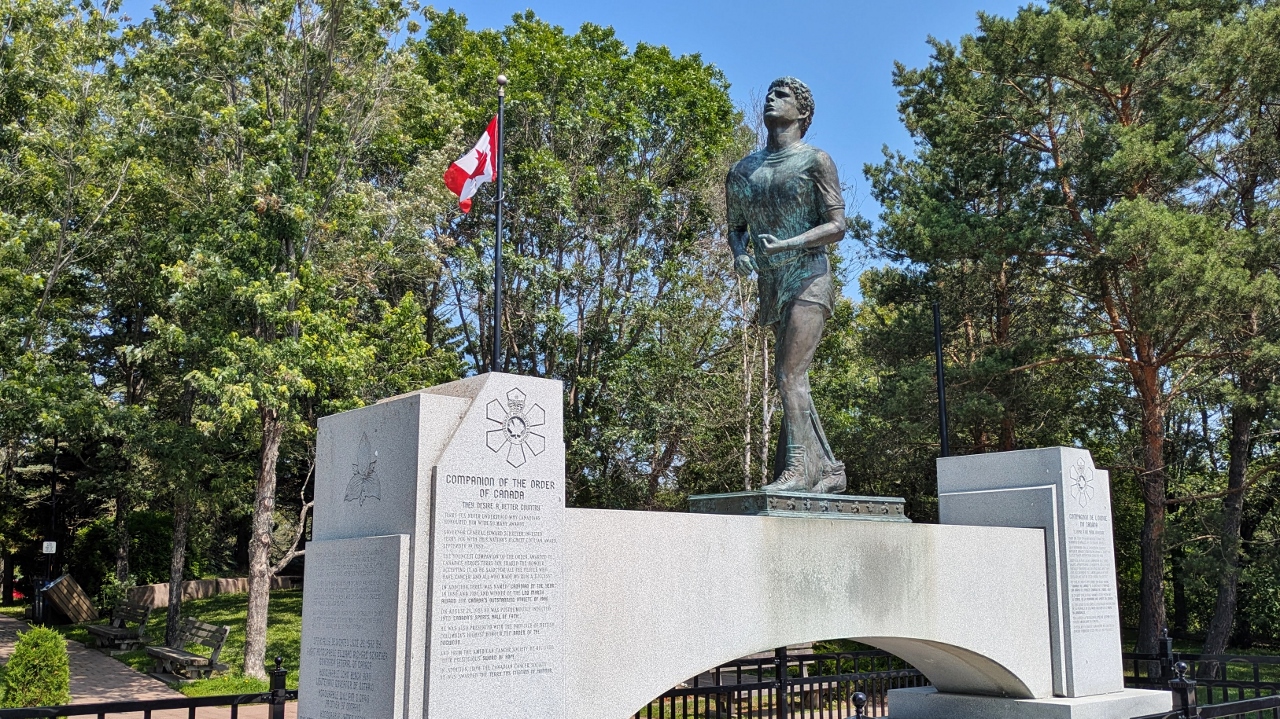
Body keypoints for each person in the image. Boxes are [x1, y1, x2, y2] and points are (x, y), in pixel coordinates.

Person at [726, 76, 846, 493]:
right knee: (794, 378)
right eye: (771, 94)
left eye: (784, 96)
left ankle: (798, 470)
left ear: (803, 113)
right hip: (773, 285)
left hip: (810, 276)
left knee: (789, 374)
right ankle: (829, 469)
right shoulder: (743, 170)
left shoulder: (816, 161)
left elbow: (837, 226)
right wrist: (740, 253)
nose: (772, 100)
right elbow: (736, 228)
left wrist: (789, 245)